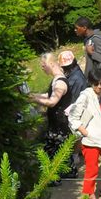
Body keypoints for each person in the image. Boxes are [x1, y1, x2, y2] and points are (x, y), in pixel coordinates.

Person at [66, 68, 101, 199]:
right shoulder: (85, 96)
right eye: (96, 84)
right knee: (92, 170)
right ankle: (91, 198)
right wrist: (84, 131)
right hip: (91, 140)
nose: (99, 87)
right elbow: (73, 116)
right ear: (91, 83)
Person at [28, 53, 72, 183]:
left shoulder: (60, 83)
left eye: (43, 65)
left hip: (59, 125)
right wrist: (32, 95)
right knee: (58, 152)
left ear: (52, 64)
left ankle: (54, 179)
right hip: (56, 123)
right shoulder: (56, 79)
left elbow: (52, 101)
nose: (42, 68)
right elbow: (48, 95)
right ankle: (63, 175)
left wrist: (34, 100)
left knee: (53, 152)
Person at [59, 50, 88, 178]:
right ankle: (76, 156)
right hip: (76, 109)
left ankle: (74, 158)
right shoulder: (75, 73)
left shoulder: (76, 78)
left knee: (74, 135)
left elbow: (74, 99)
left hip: (74, 110)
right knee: (77, 135)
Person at [73, 16, 101, 84]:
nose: (75, 30)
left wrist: (92, 53)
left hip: (97, 82)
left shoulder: (96, 40)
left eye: (76, 28)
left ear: (84, 28)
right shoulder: (89, 39)